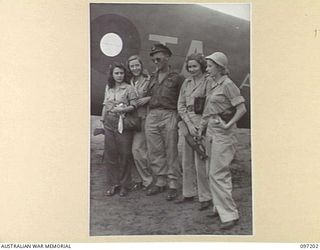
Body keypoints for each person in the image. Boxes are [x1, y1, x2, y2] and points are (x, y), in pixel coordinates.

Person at [198, 52, 247, 230]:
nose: (207, 68)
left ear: (219, 67)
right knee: (211, 170)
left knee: (218, 173)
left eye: (210, 66)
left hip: (223, 134)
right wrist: (201, 128)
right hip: (211, 130)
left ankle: (230, 214)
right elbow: (209, 110)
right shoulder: (212, 83)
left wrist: (228, 125)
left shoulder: (228, 84)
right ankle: (219, 207)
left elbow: (241, 109)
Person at [145, 43, 185, 201]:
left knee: (171, 151)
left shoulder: (177, 77)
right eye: (154, 60)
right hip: (153, 114)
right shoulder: (152, 77)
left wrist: (179, 118)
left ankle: (173, 184)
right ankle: (160, 181)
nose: (156, 62)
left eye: (158, 59)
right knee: (155, 151)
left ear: (167, 57)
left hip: (169, 114)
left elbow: (183, 98)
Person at [176, 53, 212, 210]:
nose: (191, 69)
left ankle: (205, 197)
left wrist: (200, 126)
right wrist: (188, 123)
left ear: (201, 66)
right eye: (189, 66)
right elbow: (181, 105)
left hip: (202, 123)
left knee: (201, 162)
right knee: (186, 160)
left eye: (195, 66)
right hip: (188, 123)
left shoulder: (208, 81)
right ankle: (188, 193)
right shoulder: (187, 83)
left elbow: (210, 105)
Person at [100, 62, 138, 197]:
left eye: (121, 73)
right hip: (109, 123)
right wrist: (102, 121)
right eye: (116, 73)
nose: (119, 76)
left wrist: (123, 109)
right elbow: (105, 105)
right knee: (111, 155)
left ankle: (125, 185)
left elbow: (134, 106)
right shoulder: (108, 88)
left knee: (125, 155)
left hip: (123, 123)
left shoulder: (129, 88)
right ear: (112, 75)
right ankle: (113, 184)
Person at [127, 55, 153, 191]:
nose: (135, 68)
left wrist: (148, 98)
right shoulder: (129, 81)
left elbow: (157, 94)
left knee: (138, 150)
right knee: (130, 151)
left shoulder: (148, 80)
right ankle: (138, 179)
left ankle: (148, 180)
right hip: (129, 119)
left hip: (142, 118)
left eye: (137, 65)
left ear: (141, 66)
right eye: (132, 66)